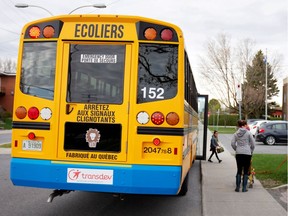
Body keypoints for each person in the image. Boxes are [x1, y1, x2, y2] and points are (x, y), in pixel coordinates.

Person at [231, 120, 255, 192]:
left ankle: (238, 187)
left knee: (239, 170)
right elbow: (253, 143)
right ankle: (244, 188)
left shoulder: (235, 134)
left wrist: (237, 149)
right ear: (244, 125)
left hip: (239, 153)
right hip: (247, 153)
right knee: (246, 171)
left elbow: (232, 143)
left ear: (238, 126)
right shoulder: (248, 133)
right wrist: (251, 151)